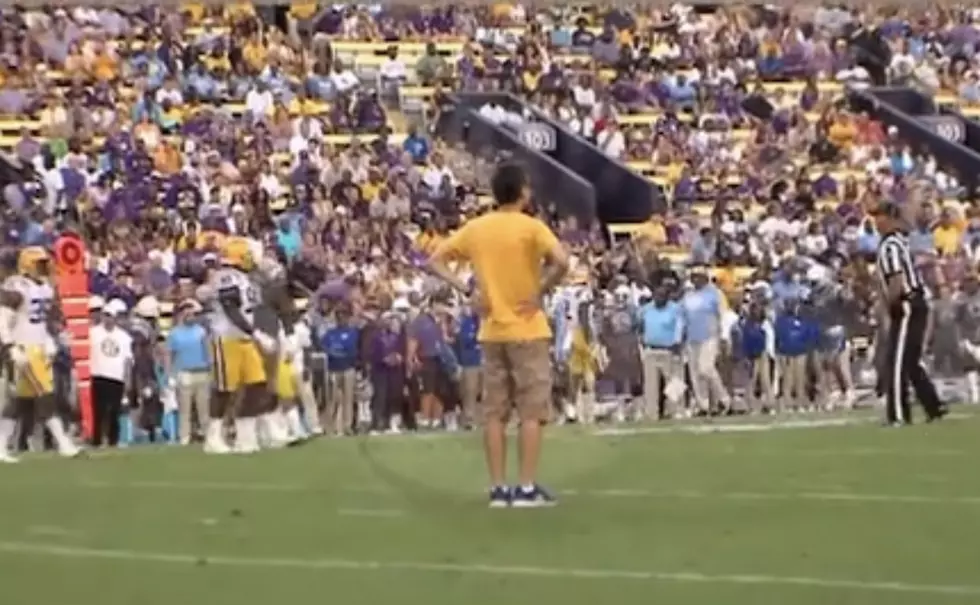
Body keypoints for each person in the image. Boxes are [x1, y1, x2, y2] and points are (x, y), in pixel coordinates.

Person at [427, 162, 570, 508]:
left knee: (494, 412)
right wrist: (541, 289)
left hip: (491, 330)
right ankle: (525, 486)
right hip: (527, 327)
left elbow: (435, 260)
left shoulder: (477, 228)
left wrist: (466, 290)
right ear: (521, 191)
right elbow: (562, 262)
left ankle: (497, 487)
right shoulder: (531, 227)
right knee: (531, 411)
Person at [0, 246, 80, 461]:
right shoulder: (17, 286)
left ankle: (1, 445)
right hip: (23, 347)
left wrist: (51, 338)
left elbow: (45, 319)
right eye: (40, 263)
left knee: (20, 401)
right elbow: (3, 318)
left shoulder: (46, 287)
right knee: (46, 394)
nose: (45, 267)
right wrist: (9, 346)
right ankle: (63, 442)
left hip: (39, 347)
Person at [874, 201, 947, 425]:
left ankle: (897, 414)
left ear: (889, 217)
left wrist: (890, 305)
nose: (876, 222)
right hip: (917, 302)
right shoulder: (900, 242)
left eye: (879, 216)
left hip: (906, 303)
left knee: (896, 360)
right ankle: (933, 405)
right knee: (911, 360)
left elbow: (896, 279)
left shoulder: (890, 246)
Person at [204, 236, 279, 454]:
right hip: (227, 337)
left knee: (257, 384)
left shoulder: (245, 278)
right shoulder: (226, 276)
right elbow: (231, 309)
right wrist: (257, 334)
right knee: (224, 389)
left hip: (244, 338)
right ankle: (213, 436)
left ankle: (245, 435)